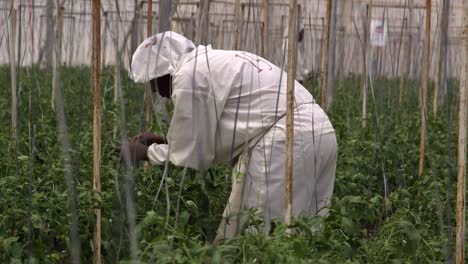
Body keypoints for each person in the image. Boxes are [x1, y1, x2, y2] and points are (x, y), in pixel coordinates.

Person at [119, 31, 337, 242]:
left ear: (164, 71)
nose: (155, 91)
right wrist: (167, 141)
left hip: (286, 139)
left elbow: (190, 157)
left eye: (152, 82)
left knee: (263, 237)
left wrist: (145, 152)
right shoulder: (209, 63)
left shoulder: (188, 77)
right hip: (320, 132)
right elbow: (211, 133)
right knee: (306, 232)